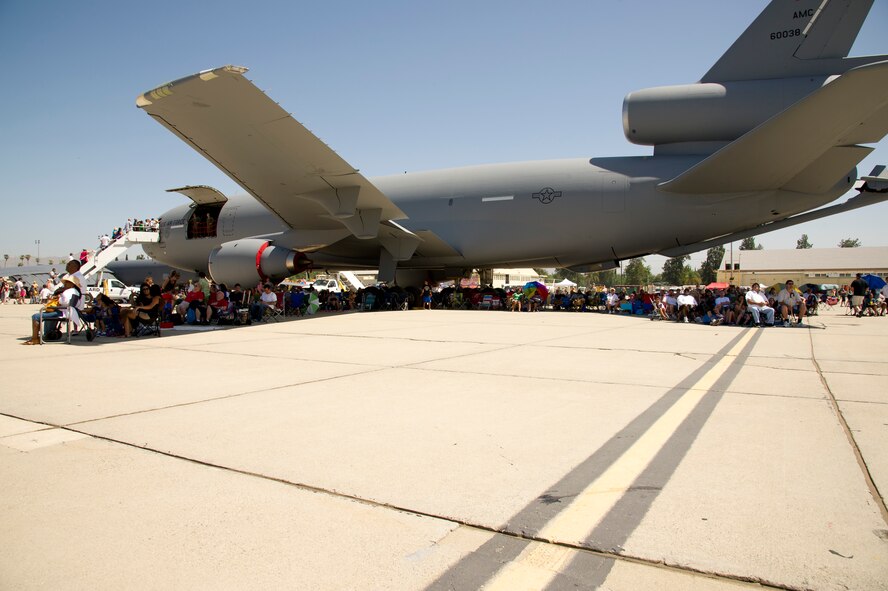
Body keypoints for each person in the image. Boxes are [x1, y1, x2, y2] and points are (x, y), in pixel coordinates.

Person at [22, 274, 82, 345]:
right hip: (66, 311)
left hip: (63, 311)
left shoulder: (70, 291)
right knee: (46, 314)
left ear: (72, 284)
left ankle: (35, 338)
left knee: (35, 316)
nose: (65, 284)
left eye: (67, 282)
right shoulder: (75, 291)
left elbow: (66, 302)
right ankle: (45, 334)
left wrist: (59, 298)